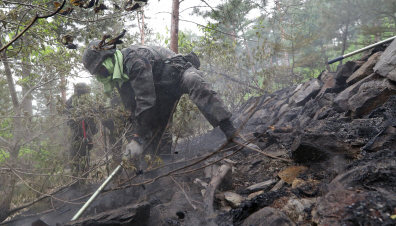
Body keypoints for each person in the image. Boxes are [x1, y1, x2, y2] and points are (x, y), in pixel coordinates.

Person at [81, 35, 258, 160]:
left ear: (109, 59)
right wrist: (136, 140)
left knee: (194, 81)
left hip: (179, 75)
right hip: (161, 92)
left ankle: (233, 135)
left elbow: (145, 101)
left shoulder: (134, 60)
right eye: (98, 73)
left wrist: (137, 138)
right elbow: (133, 109)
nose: (102, 74)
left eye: (101, 69)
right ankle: (164, 165)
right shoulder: (121, 77)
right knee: (157, 134)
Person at [64, 83, 97, 175]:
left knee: (85, 156)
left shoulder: (89, 100)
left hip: (86, 131)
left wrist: (93, 111)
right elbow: (64, 109)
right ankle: (76, 179)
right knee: (74, 155)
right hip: (75, 131)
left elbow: (95, 111)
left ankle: (84, 177)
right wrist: (75, 112)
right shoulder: (72, 100)